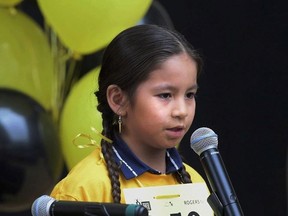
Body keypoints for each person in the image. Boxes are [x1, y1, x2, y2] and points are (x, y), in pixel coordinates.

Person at [50, 24, 207, 204]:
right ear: (118, 100)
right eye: (165, 95)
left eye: (189, 95)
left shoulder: (194, 183)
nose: (181, 111)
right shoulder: (83, 190)